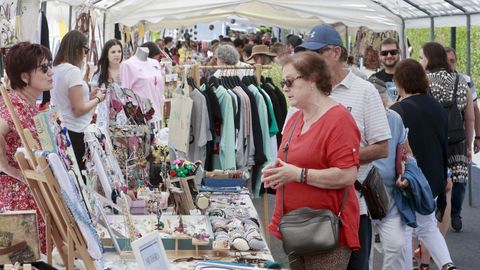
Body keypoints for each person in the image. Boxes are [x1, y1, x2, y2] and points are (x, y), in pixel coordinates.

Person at [295, 24, 391, 270]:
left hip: (352, 207)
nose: (310, 60)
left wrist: (339, 159)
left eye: (316, 54)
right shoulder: (305, 91)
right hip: (309, 207)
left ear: (336, 52)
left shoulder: (364, 92)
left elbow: (382, 148)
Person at [263, 51, 361, 270]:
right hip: (296, 228)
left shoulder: (339, 119)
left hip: (325, 231)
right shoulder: (296, 117)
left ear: (312, 79)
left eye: (289, 81)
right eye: (283, 82)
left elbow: (347, 174)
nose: (284, 88)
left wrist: (297, 174)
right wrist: (276, 172)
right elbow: (292, 161)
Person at [390, 58, 458, 270]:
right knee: (428, 226)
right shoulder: (436, 106)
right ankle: (448, 265)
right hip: (434, 177)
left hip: (409, 179)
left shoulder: (397, 111)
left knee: (406, 229)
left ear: (399, 82)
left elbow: (395, 150)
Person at [0, 41, 54, 253]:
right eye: (43, 68)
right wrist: (6, 167)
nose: (50, 72)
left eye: (50, 65)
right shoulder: (14, 104)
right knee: (20, 260)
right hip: (17, 200)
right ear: (24, 77)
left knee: (28, 260)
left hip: (27, 197)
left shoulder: (26, 104)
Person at [420, 42, 474, 233]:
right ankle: (449, 225)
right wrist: (468, 144)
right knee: (453, 187)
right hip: (456, 142)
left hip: (432, 142)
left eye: (422, 57)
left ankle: (430, 235)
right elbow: (469, 117)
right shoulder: (461, 81)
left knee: (432, 188)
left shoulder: (424, 81)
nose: (421, 61)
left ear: (430, 59)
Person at [52, 30, 106, 183]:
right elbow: (78, 109)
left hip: (64, 130)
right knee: (82, 180)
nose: (85, 54)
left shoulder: (56, 69)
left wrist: (88, 94)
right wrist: (97, 99)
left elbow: (68, 101)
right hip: (76, 132)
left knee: (71, 178)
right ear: (78, 48)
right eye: (86, 50)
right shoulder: (72, 71)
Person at [369, 77, 409, 269]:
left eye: (383, 104)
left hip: (390, 191)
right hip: (361, 191)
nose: (381, 109)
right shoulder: (356, 119)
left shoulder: (394, 119)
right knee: (362, 251)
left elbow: (404, 152)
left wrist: (404, 173)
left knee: (396, 245)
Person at [445, 46, 480, 230]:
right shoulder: (434, 81)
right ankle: (441, 212)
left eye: (453, 60)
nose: (450, 64)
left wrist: (477, 137)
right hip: (441, 139)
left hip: (460, 139)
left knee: (460, 179)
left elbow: (474, 111)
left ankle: (455, 213)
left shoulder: (465, 80)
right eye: (447, 60)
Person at [91, 39, 124, 130]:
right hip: (104, 117)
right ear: (107, 54)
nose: (117, 54)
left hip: (123, 117)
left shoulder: (126, 71)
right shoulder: (99, 73)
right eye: (113, 52)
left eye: (119, 51)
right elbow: (93, 98)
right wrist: (89, 118)